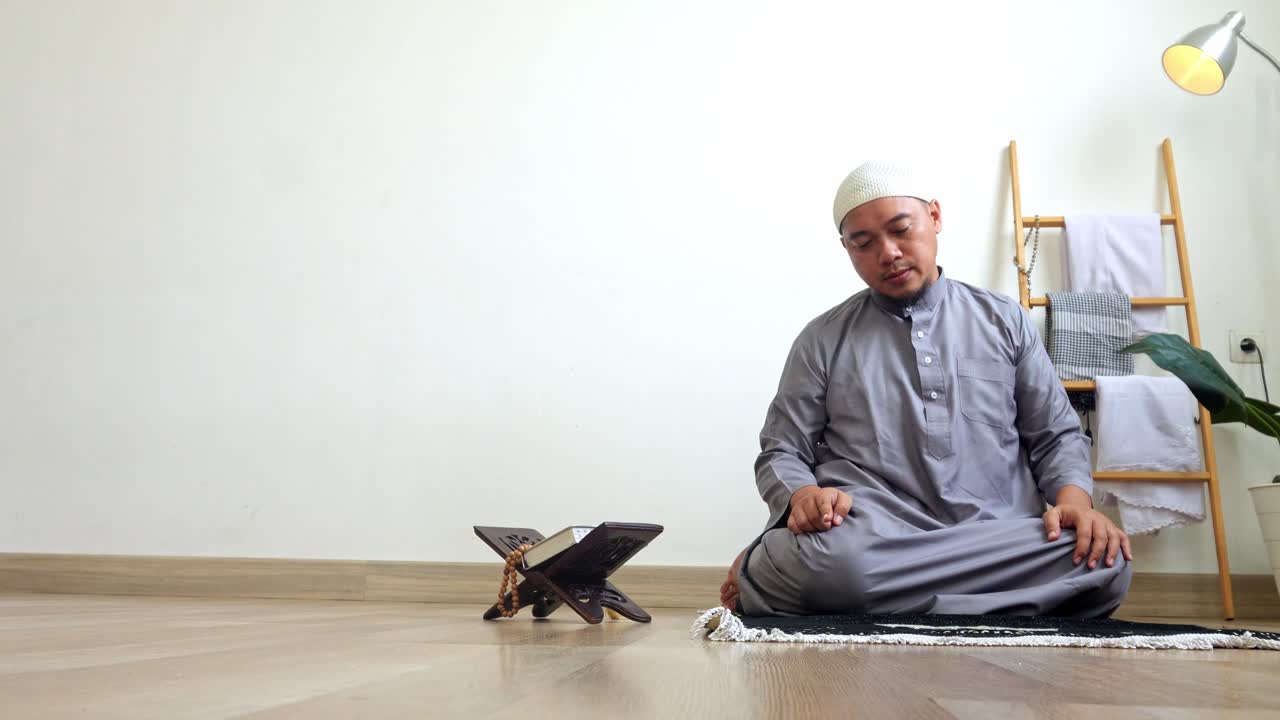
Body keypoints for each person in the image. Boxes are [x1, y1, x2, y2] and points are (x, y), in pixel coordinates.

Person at [719, 161, 1133, 617]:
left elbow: (1055, 434)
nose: (889, 253)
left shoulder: (1005, 320)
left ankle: (884, 604)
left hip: (996, 534)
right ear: (847, 250)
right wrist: (803, 498)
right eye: (864, 244)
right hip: (871, 537)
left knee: (1107, 561)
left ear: (934, 217)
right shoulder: (823, 338)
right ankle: (986, 607)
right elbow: (781, 450)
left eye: (901, 230)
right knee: (830, 567)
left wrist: (1075, 506)